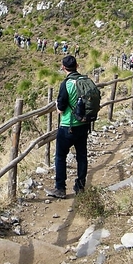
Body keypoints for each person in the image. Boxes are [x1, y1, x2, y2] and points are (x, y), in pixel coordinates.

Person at [46, 55, 89, 199]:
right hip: (83, 125)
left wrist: (58, 106)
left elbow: (61, 109)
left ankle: (60, 188)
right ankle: (81, 186)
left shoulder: (66, 84)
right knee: (82, 156)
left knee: (60, 156)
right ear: (77, 66)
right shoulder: (85, 81)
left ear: (63, 67)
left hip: (68, 125)